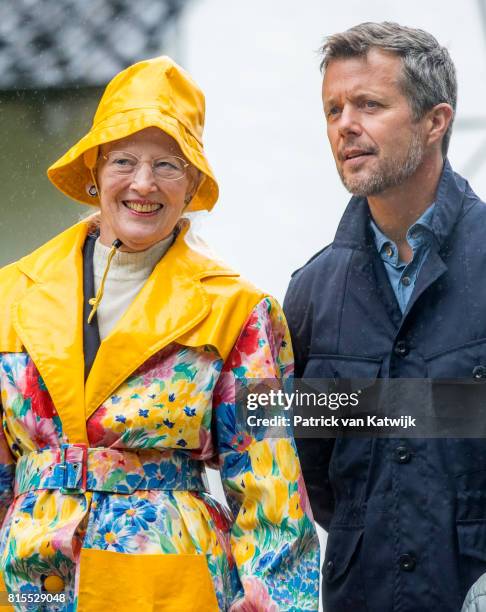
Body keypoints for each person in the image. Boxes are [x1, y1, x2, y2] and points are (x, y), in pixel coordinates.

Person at [0, 56, 319, 611]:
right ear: (95, 170)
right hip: (29, 581)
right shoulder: (10, 294)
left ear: (192, 181)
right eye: (124, 160)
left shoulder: (238, 310)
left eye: (168, 165)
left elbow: (271, 486)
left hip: (167, 585)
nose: (143, 184)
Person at [283, 21, 486, 612]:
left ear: (435, 120)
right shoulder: (310, 295)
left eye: (370, 104)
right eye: (333, 109)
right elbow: (312, 477)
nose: (346, 124)